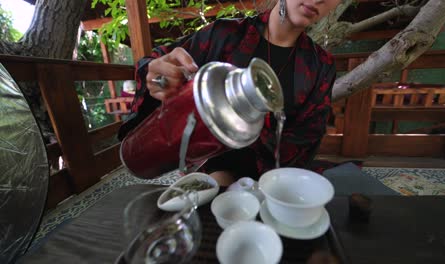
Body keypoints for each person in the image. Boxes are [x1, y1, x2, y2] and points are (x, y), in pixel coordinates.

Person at [119, 0, 341, 185]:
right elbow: (157, 61)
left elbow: (306, 138)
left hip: (270, 185)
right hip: (206, 178)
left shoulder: (321, 65)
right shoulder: (224, 34)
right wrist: (158, 75)